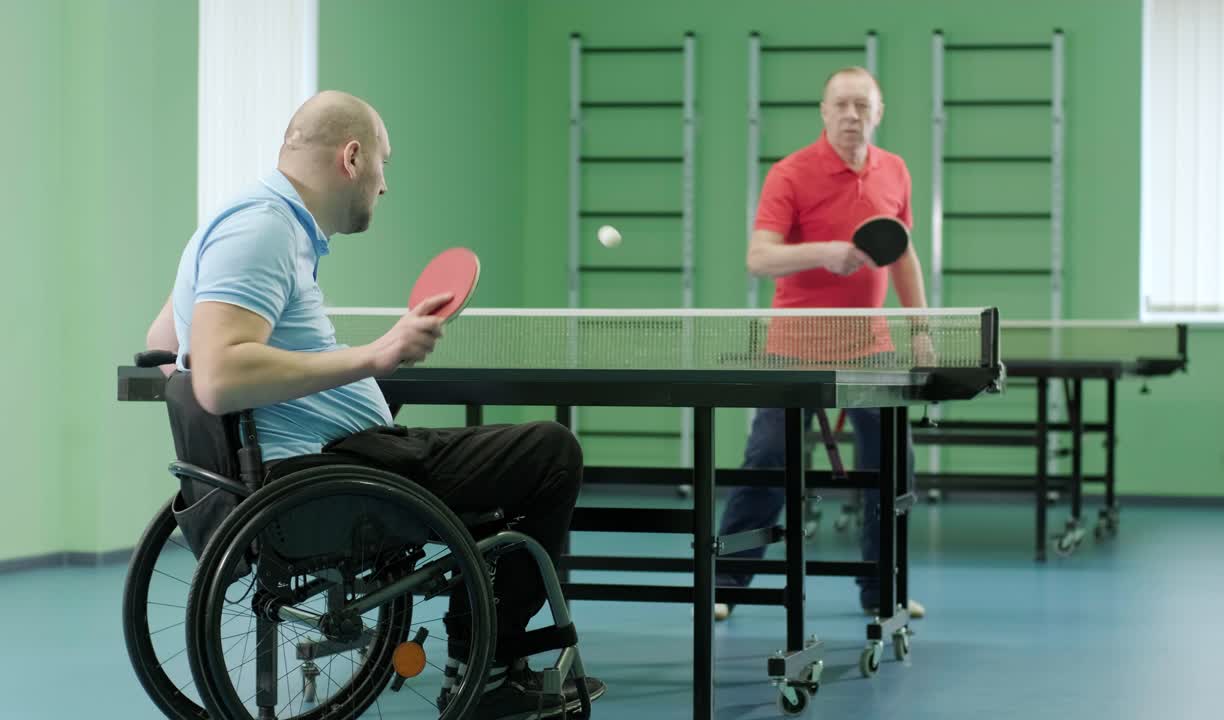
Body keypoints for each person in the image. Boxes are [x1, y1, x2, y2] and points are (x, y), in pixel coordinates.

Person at [145, 90, 603, 719]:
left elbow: (164, 348)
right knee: (549, 451)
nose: (385, 186)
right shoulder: (263, 230)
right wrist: (377, 356)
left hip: (306, 469)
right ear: (353, 158)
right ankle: (490, 667)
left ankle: (482, 637)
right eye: (384, 164)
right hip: (326, 476)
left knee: (492, 472)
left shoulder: (239, 222)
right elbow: (218, 377)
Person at [715, 67, 928, 622]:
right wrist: (823, 252)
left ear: (878, 112)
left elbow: (902, 254)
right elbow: (758, 257)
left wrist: (921, 327)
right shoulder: (791, 173)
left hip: (869, 343)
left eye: (862, 105)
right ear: (824, 111)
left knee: (893, 467)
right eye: (841, 105)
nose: (852, 115)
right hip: (795, 343)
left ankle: (883, 590)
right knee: (766, 460)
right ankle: (727, 584)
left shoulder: (895, 172)